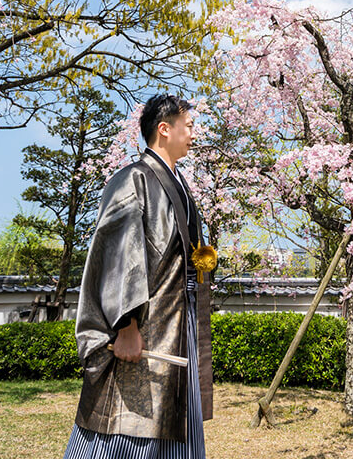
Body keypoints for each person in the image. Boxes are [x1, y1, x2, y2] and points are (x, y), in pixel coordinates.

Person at [64, 94, 215, 459]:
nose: (195, 133)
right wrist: (125, 324)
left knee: (174, 421)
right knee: (127, 426)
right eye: (189, 126)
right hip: (143, 327)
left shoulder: (177, 182)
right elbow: (120, 253)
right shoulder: (133, 178)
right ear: (164, 129)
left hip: (178, 324)